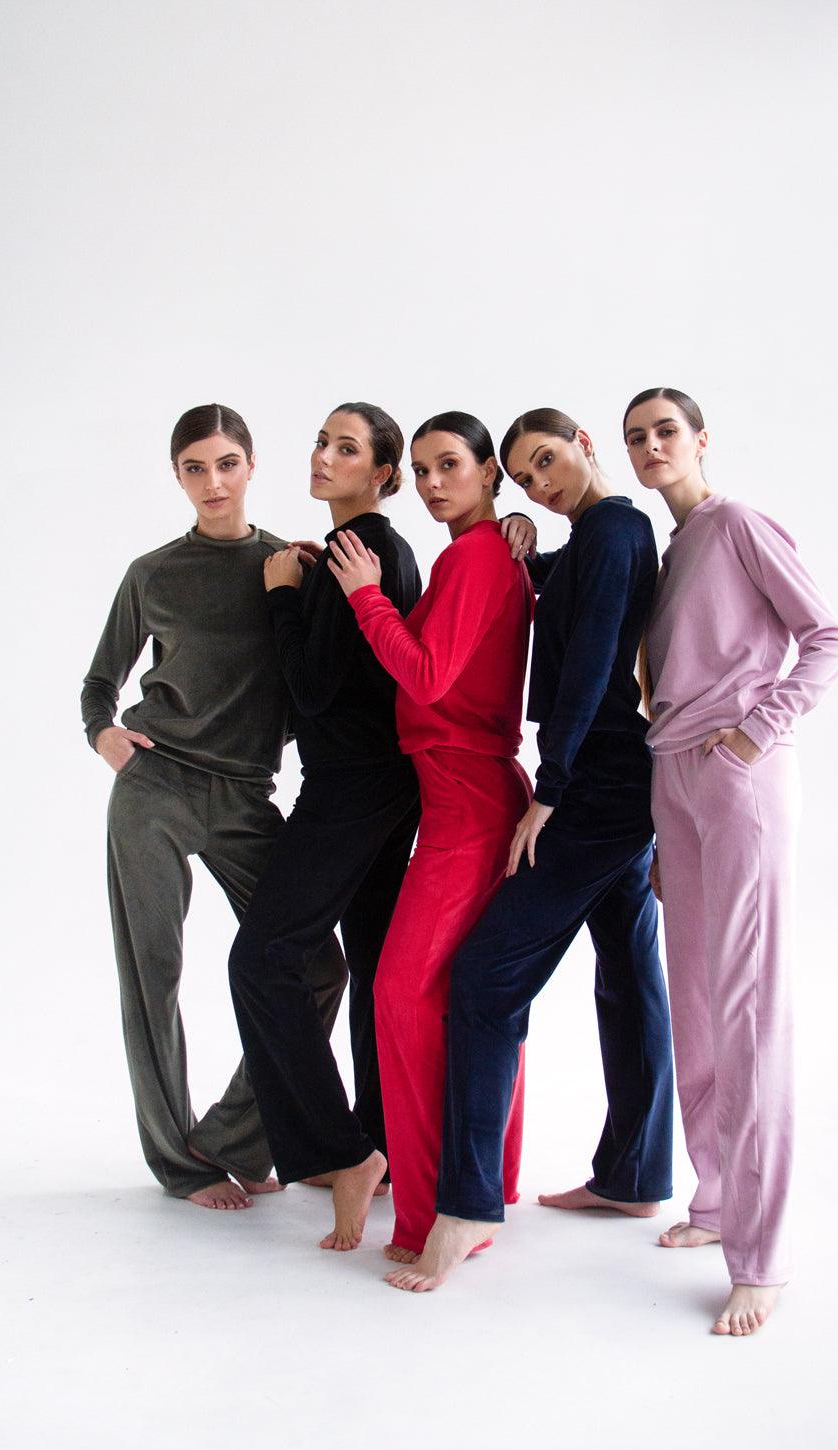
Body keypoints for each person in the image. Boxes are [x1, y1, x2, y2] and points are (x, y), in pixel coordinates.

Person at [389, 408, 674, 1292]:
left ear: (585, 442)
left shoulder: (616, 529)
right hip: (619, 785)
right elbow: (568, 594)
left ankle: (469, 1205)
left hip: (596, 791)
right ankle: (635, 1175)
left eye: (547, 461)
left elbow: (589, 664)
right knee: (627, 975)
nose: (541, 485)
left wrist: (549, 791)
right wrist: (526, 545)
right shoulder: (596, 538)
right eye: (525, 477)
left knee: (485, 979)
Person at [81, 403, 347, 1209]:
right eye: (195, 468)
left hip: (244, 798)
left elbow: (311, 684)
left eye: (227, 463)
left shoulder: (287, 565)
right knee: (152, 975)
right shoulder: (152, 572)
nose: (213, 482)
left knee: (317, 966)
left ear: (251, 466)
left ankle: (234, 1138)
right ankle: (181, 1164)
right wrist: (105, 735)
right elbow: (100, 682)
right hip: (154, 789)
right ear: (178, 476)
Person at [624, 386, 838, 1336]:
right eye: (636, 438)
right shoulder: (670, 550)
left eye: (665, 431)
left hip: (737, 773)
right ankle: (717, 1200)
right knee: (697, 1004)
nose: (651, 447)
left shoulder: (738, 523)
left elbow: (827, 636)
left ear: (701, 439)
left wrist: (759, 732)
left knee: (749, 1007)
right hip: (672, 776)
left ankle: (763, 1258)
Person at [327, 411, 534, 1264]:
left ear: (489, 472)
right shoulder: (484, 554)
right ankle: (488, 1186)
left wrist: (365, 596)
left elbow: (426, 673)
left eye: (449, 464)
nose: (432, 483)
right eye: (419, 470)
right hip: (465, 796)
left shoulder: (476, 556)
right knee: (463, 997)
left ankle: (428, 1217)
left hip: (468, 801)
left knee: (401, 995)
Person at [228, 402, 421, 1253]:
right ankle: (383, 1146)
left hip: (351, 785)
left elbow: (310, 692)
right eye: (321, 442)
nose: (323, 457)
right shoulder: (378, 549)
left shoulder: (357, 551)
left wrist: (282, 596)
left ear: (381, 474)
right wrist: (313, 586)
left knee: (263, 957)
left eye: (346, 449)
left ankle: (342, 1153)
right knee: (372, 963)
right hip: (388, 781)